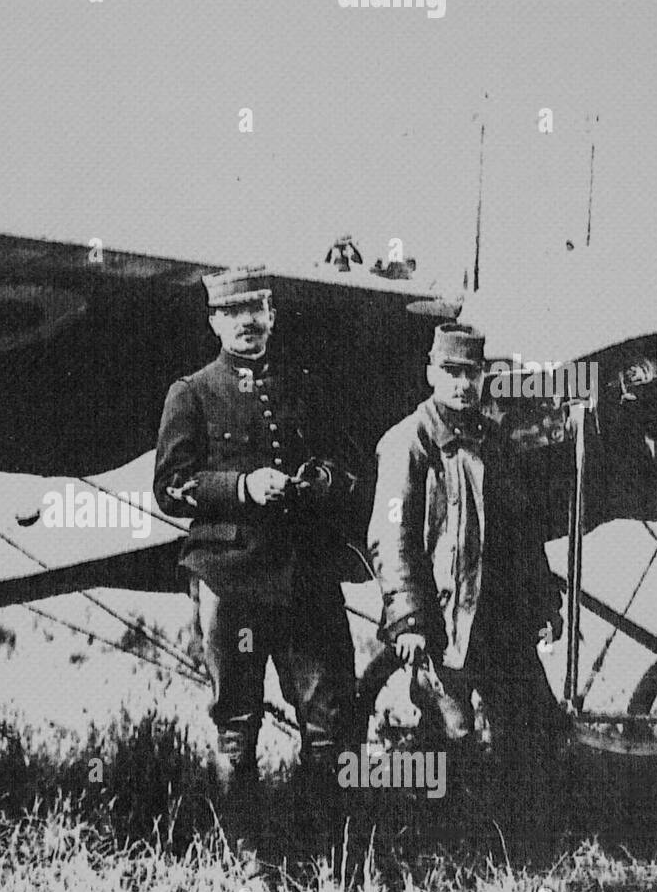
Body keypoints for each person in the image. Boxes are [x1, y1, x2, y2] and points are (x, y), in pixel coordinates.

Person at [154, 265, 358, 827]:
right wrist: (243, 487)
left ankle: (323, 857)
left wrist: (321, 479)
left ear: (272, 315)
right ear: (215, 321)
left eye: (257, 310)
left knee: (327, 720)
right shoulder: (191, 393)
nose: (248, 322)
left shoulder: (305, 386)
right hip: (229, 576)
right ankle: (250, 865)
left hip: (305, 575)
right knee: (238, 726)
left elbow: (346, 469)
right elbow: (171, 488)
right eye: (233, 312)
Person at [367, 322, 565, 799]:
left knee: (536, 735)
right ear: (431, 372)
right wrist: (409, 618)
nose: (461, 383)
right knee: (452, 739)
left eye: (470, 373)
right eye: (451, 371)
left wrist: (544, 605)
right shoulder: (407, 442)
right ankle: (441, 850)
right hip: (443, 621)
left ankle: (522, 849)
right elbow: (391, 538)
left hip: (501, 619)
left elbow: (523, 536)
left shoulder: (496, 444)